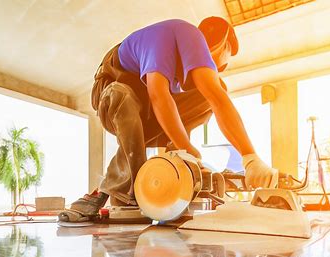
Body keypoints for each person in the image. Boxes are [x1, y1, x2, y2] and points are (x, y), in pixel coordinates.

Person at [61, 17, 277, 220]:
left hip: (143, 110)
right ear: (223, 46)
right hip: (110, 95)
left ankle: (176, 160)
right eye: (221, 65)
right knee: (123, 94)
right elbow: (158, 96)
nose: (218, 70)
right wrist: (191, 148)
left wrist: (250, 159)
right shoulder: (180, 36)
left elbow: (215, 99)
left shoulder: (180, 65)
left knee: (213, 91)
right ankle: (131, 190)